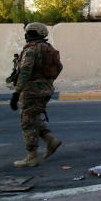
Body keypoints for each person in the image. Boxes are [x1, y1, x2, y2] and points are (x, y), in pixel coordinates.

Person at [9, 22, 63, 168]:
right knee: (33, 117)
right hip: (45, 89)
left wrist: (16, 92)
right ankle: (51, 140)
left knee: (26, 122)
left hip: (31, 90)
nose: (26, 35)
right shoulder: (48, 48)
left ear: (33, 34)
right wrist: (47, 81)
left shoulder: (31, 49)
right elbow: (59, 67)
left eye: (29, 32)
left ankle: (31, 157)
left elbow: (25, 71)